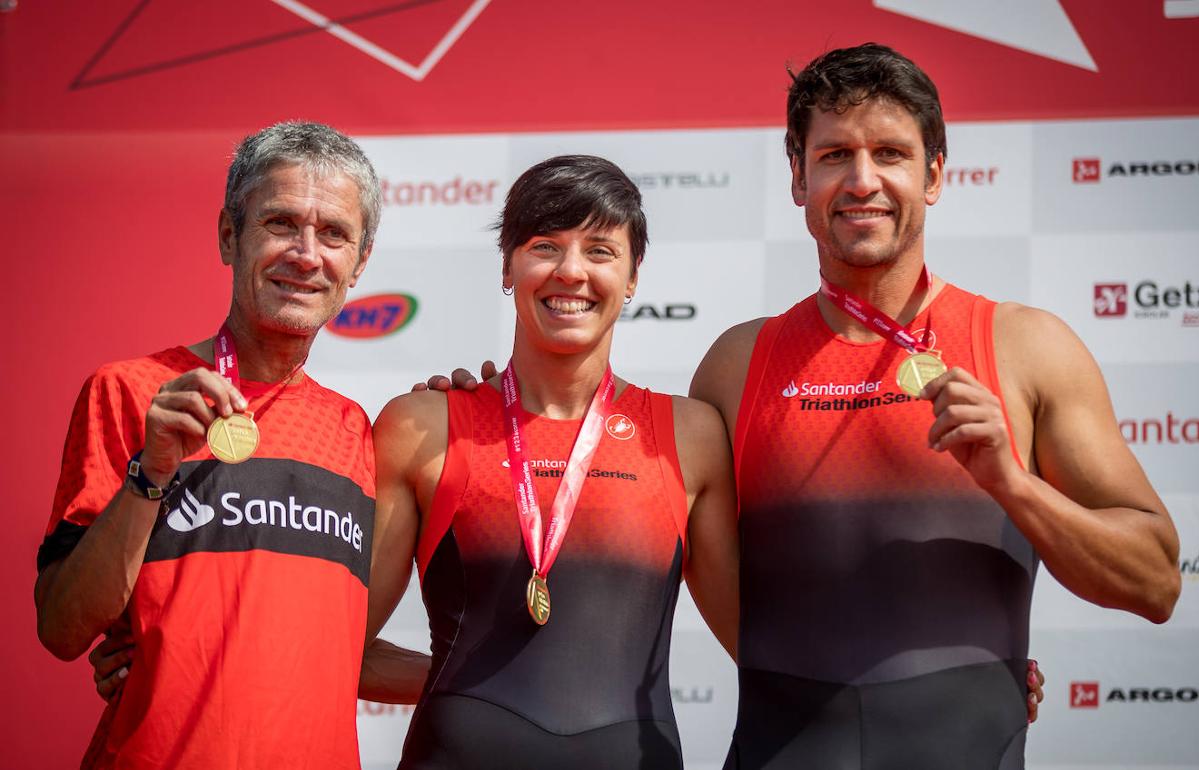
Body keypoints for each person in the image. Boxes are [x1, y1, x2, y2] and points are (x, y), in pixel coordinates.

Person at [686, 43, 1181, 768]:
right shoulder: (736, 366)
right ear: (797, 178)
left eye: (891, 153)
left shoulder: (1024, 347)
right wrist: (474, 412)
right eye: (833, 157)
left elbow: (1157, 583)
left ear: (936, 175)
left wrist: (1014, 483)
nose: (863, 181)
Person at [361, 155, 740, 768]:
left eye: (600, 250)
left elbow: (762, 650)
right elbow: (337, 649)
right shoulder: (421, 427)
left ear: (634, 275)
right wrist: (468, 686)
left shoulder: (690, 435)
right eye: (544, 246)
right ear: (508, 266)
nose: (571, 272)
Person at [35, 121, 381, 769]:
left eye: (334, 233)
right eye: (280, 223)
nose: (307, 254)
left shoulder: (357, 432)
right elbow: (61, 628)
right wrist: (152, 470)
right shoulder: (130, 390)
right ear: (230, 236)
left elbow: (342, 655)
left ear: (359, 264)